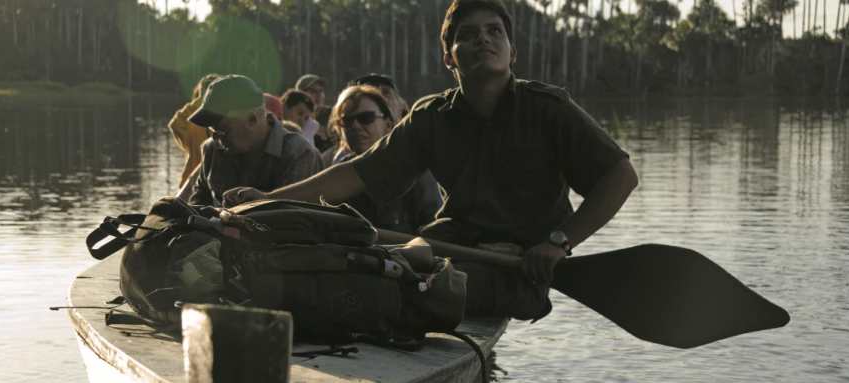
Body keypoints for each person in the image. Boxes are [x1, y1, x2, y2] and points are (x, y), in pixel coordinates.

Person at [225, 0, 638, 320]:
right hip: (444, 248)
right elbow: (354, 174)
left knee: (413, 288)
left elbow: (620, 175)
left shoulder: (548, 109)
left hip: (514, 270)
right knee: (357, 267)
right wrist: (268, 200)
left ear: (512, 52)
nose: (483, 40)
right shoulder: (432, 117)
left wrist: (559, 243)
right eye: (469, 34)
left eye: (495, 32)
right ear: (449, 57)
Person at [186, 74, 323, 207]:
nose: (216, 139)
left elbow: (295, 217)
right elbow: (196, 206)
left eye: (223, 130)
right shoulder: (212, 149)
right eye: (213, 131)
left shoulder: (299, 155)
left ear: (252, 120)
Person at [325, 84, 442, 234]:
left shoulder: (414, 171)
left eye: (366, 118)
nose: (355, 126)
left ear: (388, 124)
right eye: (347, 121)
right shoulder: (337, 174)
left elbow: (433, 230)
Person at [168, 73, 221, 188]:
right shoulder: (192, 118)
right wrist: (200, 102)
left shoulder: (228, 116)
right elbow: (175, 125)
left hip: (217, 180)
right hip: (193, 180)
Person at [294, 74, 335, 152]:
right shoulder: (294, 119)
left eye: (321, 91)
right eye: (313, 91)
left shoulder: (332, 115)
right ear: (300, 94)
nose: (319, 95)